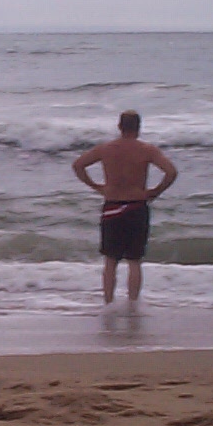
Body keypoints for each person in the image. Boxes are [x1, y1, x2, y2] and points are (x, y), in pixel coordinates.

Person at [72, 111, 178, 305]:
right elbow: (171, 172)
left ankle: (108, 303)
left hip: (112, 206)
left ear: (119, 126)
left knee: (111, 261)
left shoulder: (106, 149)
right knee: (134, 261)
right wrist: (156, 191)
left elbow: (78, 165)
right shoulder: (147, 150)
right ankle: (133, 305)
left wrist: (96, 187)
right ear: (139, 127)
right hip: (136, 205)